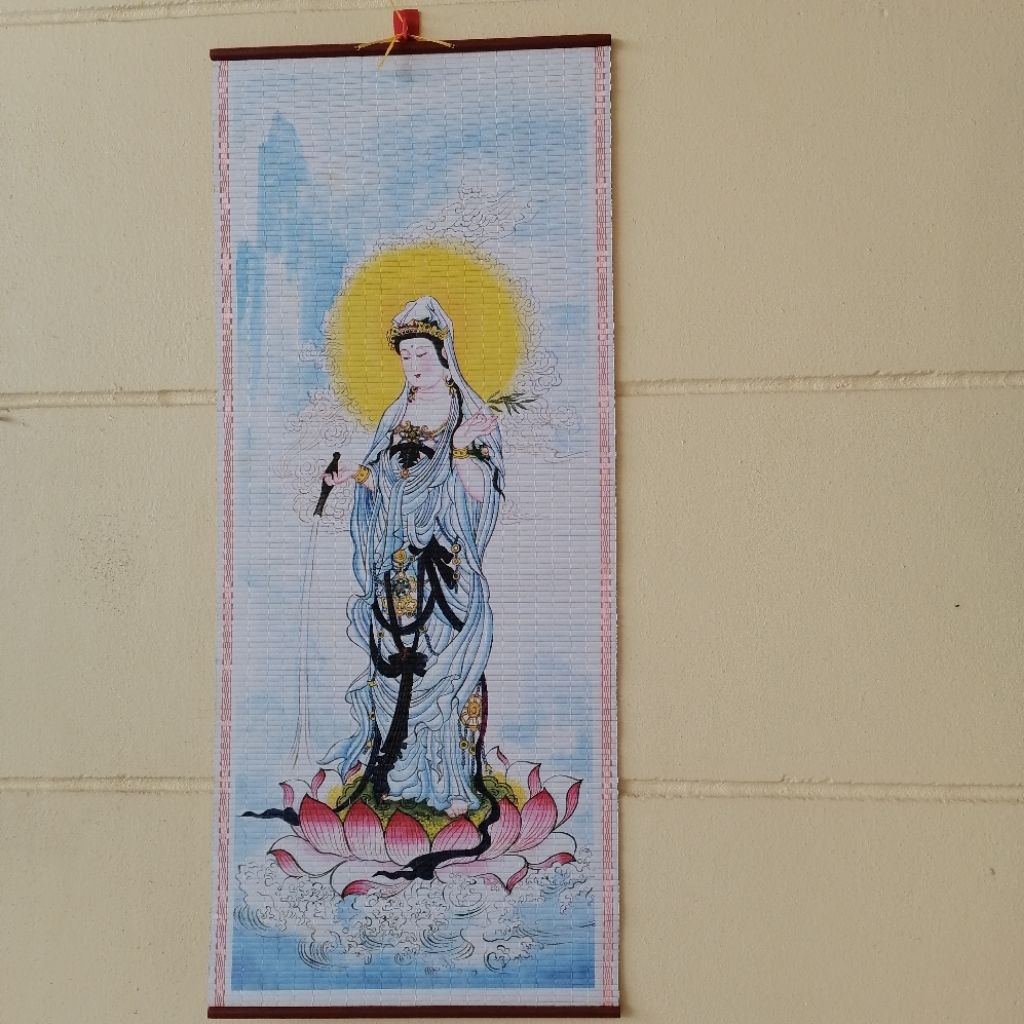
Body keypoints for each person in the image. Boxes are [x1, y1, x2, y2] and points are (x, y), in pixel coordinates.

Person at [319, 296, 503, 822]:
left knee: (444, 671)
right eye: (406, 355)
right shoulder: (396, 415)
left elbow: (480, 494)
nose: (414, 364)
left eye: (423, 353)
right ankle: (401, 777)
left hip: (445, 565)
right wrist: (352, 475)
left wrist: (460, 448)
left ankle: (453, 781)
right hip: (398, 566)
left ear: (444, 355)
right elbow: (386, 484)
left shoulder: (468, 415)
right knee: (397, 665)